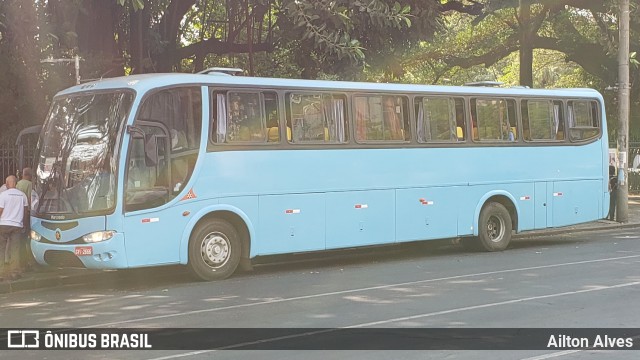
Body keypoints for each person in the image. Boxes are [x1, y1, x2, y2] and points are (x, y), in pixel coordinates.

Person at [0, 175, 29, 281]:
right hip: (17, 225)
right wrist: (24, 224)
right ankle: (14, 273)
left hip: (3, 224)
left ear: (7, 184)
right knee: (15, 249)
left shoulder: (3, 195)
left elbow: (0, 210)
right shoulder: (23, 195)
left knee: (1, 249)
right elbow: (26, 212)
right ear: (16, 183)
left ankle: (1, 274)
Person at [16, 168, 35, 271]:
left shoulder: (17, 184)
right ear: (29, 175)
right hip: (26, 213)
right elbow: (30, 200)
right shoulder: (29, 184)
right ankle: (29, 260)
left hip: (17, 214)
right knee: (28, 237)